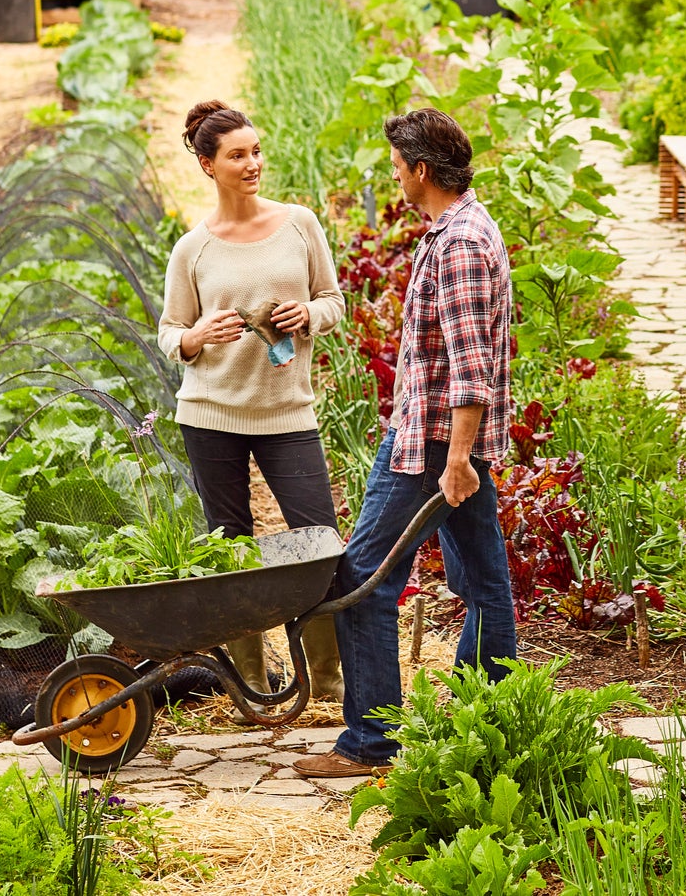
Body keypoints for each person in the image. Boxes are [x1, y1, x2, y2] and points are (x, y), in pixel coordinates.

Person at [294, 108, 516, 778]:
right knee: (484, 585)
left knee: (364, 578)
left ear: (423, 171)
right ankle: (490, 721)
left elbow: (471, 366)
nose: (393, 179)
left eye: (397, 168)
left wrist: (454, 461)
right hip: (445, 441)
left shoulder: (459, 246)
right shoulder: (458, 229)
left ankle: (369, 745)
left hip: (431, 445)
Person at [158, 100, 348, 701]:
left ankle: (325, 687)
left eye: (256, 151)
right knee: (232, 545)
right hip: (211, 414)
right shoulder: (193, 249)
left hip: (287, 411)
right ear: (209, 166)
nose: (252, 163)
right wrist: (195, 338)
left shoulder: (299, 224)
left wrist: (309, 314)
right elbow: (168, 332)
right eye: (237, 155)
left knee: (318, 540)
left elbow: (333, 300)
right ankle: (251, 686)